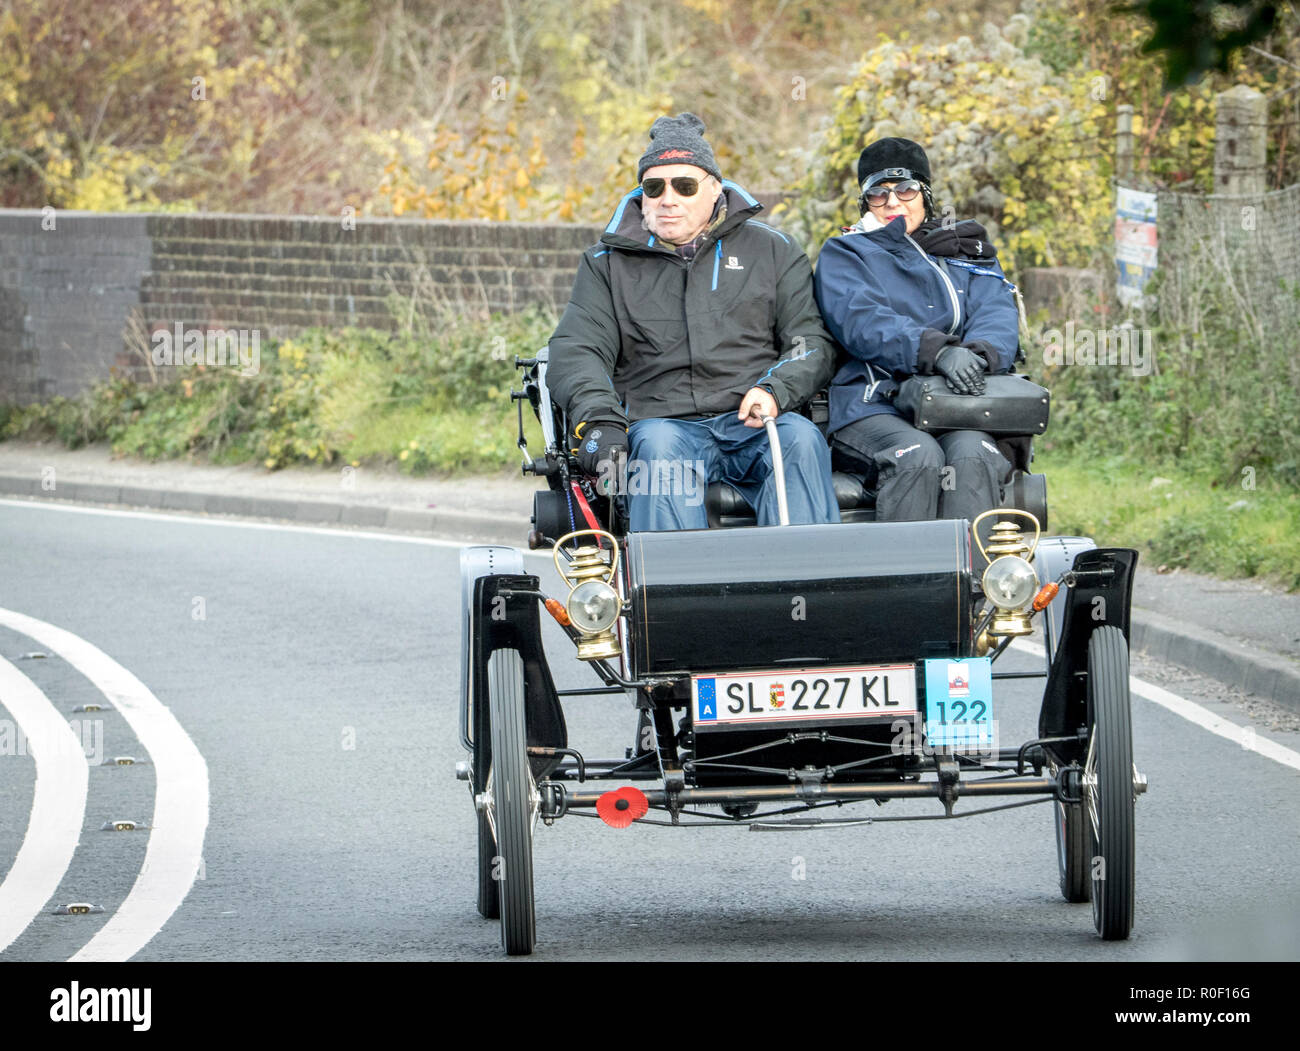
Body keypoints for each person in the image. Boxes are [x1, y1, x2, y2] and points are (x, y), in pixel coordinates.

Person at [547, 112, 840, 532]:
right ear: (642, 195)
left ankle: (800, 589)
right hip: (662, 424)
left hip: (754, 417)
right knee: (658, 447)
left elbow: (811, 341)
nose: (669, 198)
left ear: (715, 189)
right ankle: (676, 594)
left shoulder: (773, 250)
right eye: (655, 187)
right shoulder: (605, 264)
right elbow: (578, 349)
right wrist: (600, 418)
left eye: (684, 186)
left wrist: (776, 389)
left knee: (798, 439)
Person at [813, 136, 1022, 529]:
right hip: (874, 403)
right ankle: (904, 585)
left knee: (972, 454)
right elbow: (861, 322)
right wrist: (938, 352)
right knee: (917, 455)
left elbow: (997, 311)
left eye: (906, 189)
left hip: (956, 400)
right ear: (866, 202)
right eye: (879, 193)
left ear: (925, 194)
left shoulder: (966, 250)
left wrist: (977, 357)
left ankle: (969, 584)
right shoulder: (847, 253)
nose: (894, 202)